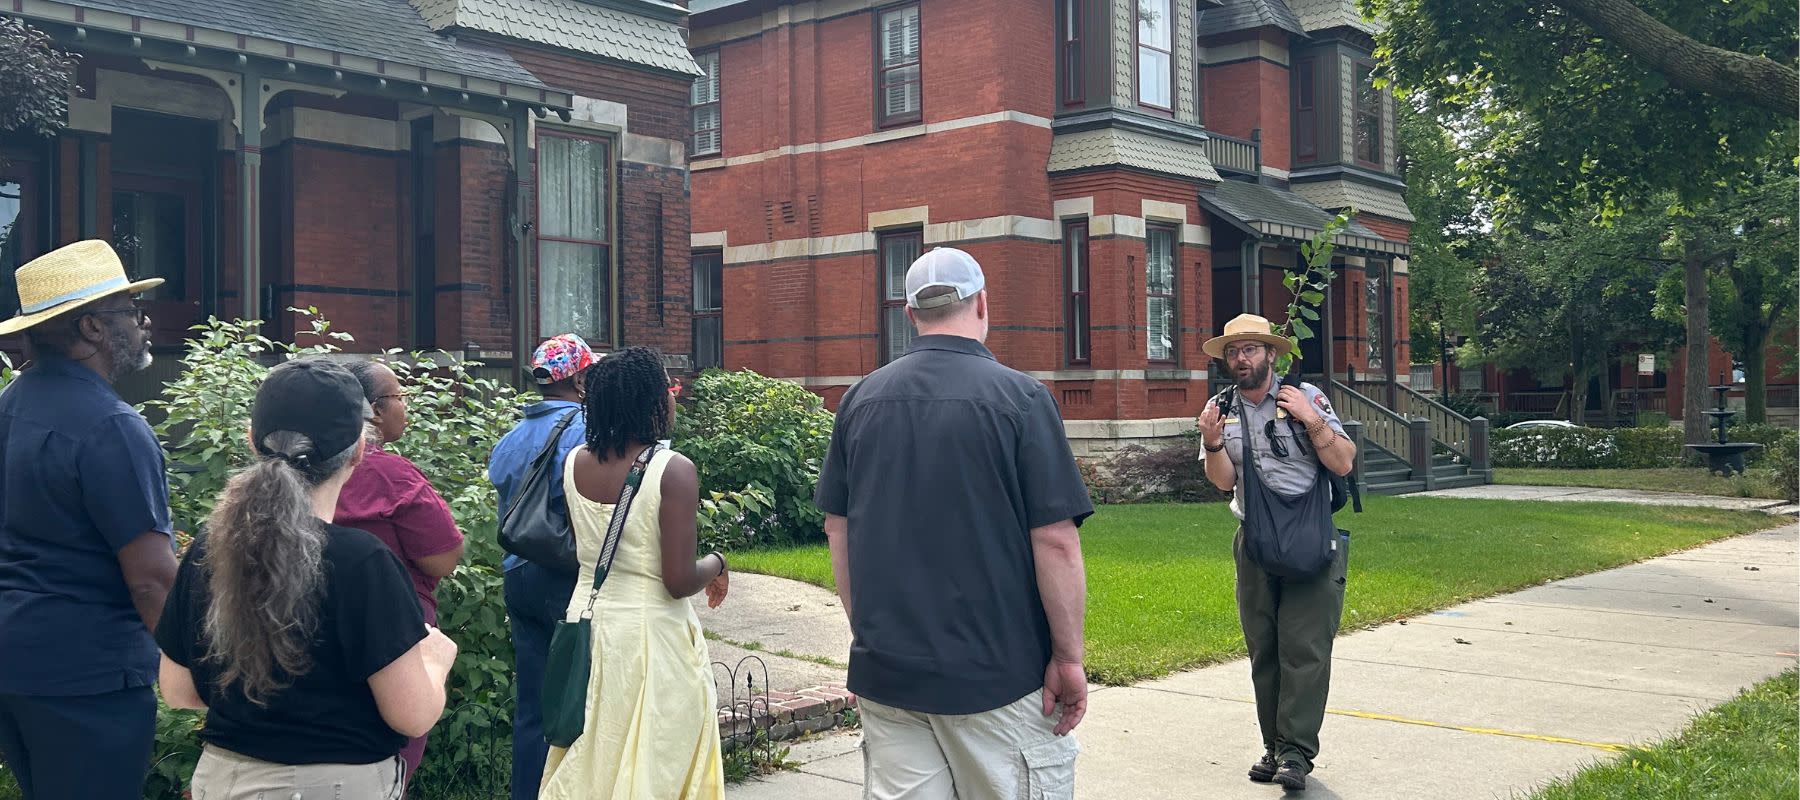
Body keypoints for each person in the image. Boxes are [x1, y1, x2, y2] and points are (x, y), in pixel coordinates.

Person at [814, 247, 1093, 799]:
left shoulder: (859, 401)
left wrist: (867, 631)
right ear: (982, 303)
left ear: (911, 314)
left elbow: (837, 530)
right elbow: (1056, 541)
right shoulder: (1022, 399)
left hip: (889, 673)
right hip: (997, 675)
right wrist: (1068, 657)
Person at [156, 358, 458, 798]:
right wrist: (435, 658)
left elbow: (179, 690)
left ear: (252, 441)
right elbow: (410, 716)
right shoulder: (363, 561)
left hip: (224, 781)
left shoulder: (208, 547)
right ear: (359, 449)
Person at [0, 240, 177, 799]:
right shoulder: (113, 426)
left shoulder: (9, 406)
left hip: (15, 665)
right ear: (93, 328)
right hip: (89, 676)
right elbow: (151, 578)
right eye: (131, 312)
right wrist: (201, 669)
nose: (144, 324)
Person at [539, 346, 729, 800]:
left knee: (595, 757)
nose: (673, 396)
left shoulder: (575, 463)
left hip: (589, 626)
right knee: (655, 761)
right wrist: (719, 563)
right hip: (652, 638)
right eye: (666, 387)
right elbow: (678, 580)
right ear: (650, 399)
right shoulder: (673, 470)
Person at [1196, 313, 1356, 791]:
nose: (1240, 359)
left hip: (1310, 539)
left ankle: (1296, 754)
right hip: (1255, 542)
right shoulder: (1219, 406)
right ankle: (1274, 746)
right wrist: (1211, 439)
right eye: (1233, 351)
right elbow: (1224, 480)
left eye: (1250, 349)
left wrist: (1309, 419)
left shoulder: (1308, 398)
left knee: (1304, 650)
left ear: (1272, 355)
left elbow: (1344, 462)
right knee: (1264, 650)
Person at [336, 358, 465, 783]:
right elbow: (442, 557)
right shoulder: (391, 475)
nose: (404, 406)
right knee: (391, 754)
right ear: (373, 410)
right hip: (396, 636)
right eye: (399, 397)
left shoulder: (301, 471)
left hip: (311, 636)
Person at [488, 334, 595, 800]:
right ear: (578, 377)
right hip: (563, 574)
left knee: (532, 705)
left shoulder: (510, 439)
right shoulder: (585, 429)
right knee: (578, 700)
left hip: (518, 575)